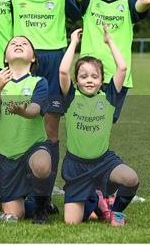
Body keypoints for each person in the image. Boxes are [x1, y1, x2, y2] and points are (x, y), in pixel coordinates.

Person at [11, 0, 81, 205]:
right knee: (19, 125)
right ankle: (17, 189)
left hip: (53, 63)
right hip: (24, 65)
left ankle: (45, 194)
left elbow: (81, 13)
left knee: (50, 130)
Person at [59, 27, 139, 226]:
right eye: (83, 76)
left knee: (130, 178)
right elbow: (62, 70)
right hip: (76, 166)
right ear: (76, 80)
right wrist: (73, 43)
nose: (89, 80)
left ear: (102, 80)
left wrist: (109, 40)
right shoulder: (70, 97)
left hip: (103, 162)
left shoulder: (109, 96)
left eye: (94, 76)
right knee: (72, 222)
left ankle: (117, 212)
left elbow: (122, 68)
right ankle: (96, 200)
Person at [0, 36, 53, 224]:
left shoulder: (39, 82)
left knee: (41, 166)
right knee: (14, 215)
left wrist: (23, 111)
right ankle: (35, 199)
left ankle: (41, 207)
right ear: (6, 58)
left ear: (33, 58)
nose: (18, 45)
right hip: (8, 152)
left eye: (24, 44)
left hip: (33, 146)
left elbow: (35, 110)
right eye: (13, 44)